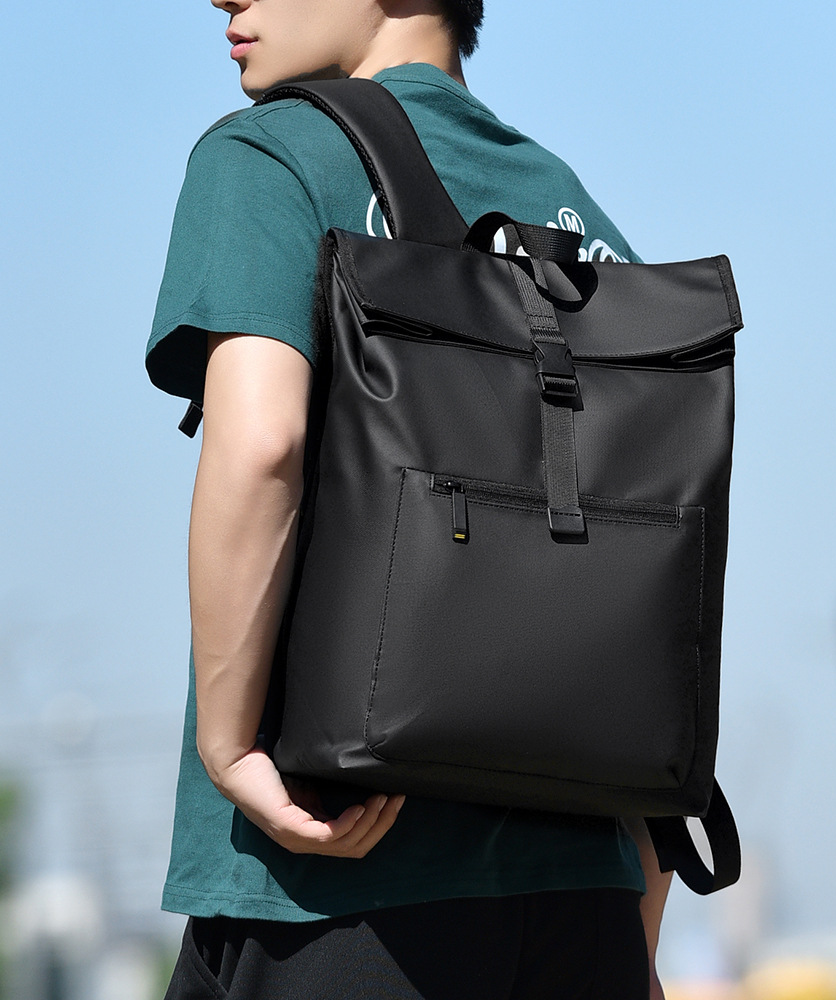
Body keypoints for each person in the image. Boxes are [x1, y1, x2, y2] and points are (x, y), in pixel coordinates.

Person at [146, 1, 673, 996]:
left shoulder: (273, 155)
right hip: (586, 897)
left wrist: (228, 743)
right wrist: (636, 938)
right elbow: (647, 582)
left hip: (337, 881)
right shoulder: (568, 207)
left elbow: (262, 443)